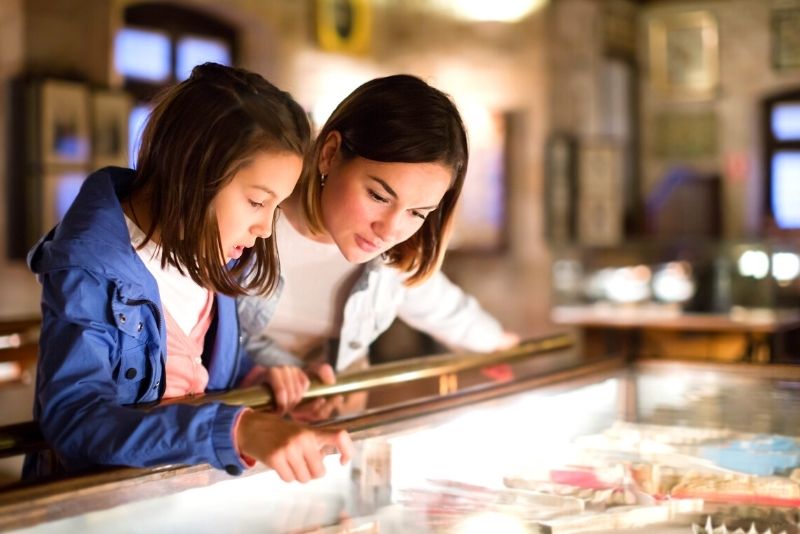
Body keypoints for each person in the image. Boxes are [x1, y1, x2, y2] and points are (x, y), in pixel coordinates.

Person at [25, 63, 352, 483]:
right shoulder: (89, 271)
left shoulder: (212, 254)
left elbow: (194, 368)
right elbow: (76, 421)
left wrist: (259, 380)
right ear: (193, 171)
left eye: (276, 206)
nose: (265, 229)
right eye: (256, 202)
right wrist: (237, 429)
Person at [237, 74, 519, 414]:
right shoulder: (248, 225)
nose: (390, 229)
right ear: (329, 153)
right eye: (378, 196)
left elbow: (444, 307)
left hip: (331, 421)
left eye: (418, 212)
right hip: (240, 414)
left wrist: (501, 346)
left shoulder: (396, 257)